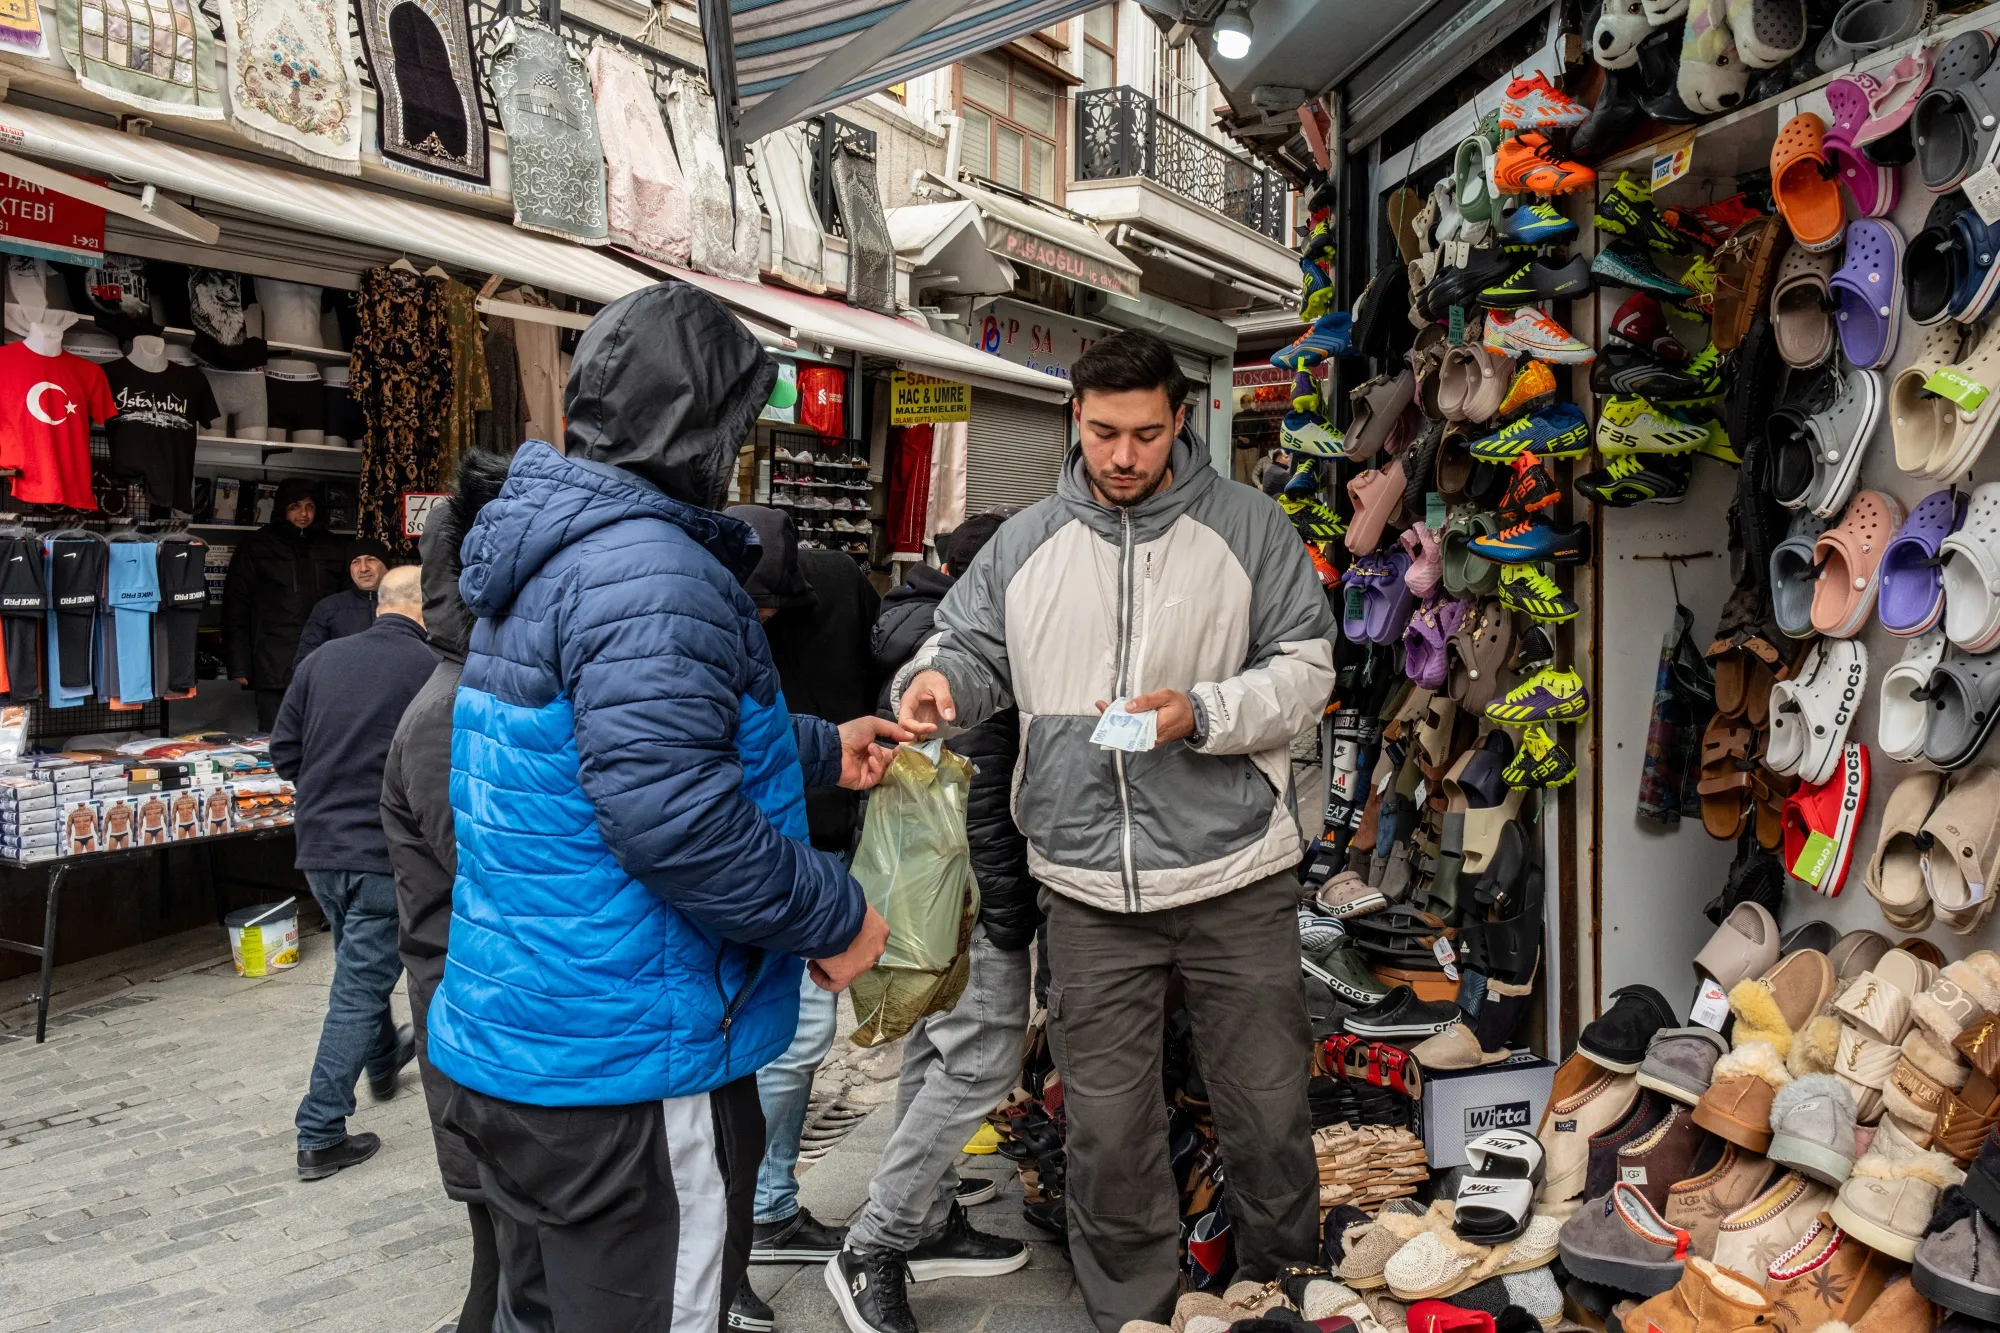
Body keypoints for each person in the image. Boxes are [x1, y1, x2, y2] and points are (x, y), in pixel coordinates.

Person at [424, 282, 904, 1333]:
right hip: (630, 1064)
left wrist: (820, 749)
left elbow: (607, 746)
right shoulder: (652, 570)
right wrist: (834, 913)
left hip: (520, 1043)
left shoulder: (549, 550)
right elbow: (675, 820)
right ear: (710, 429)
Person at [891, 330, 1337, 1333]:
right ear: (1075, 421)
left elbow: (1307, 670)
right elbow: (962, 644)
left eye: (1143, 432)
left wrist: (1204, 712)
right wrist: (935, 683)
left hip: (1233, 872)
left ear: (1180, 421)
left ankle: (1288, 1289)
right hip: (1086, 881)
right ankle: (1131, 1310)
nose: (1123, 455)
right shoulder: (1023, 542)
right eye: (1102, 432)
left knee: (1266, 1105)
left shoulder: (1249, 528)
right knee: (1104, 1126)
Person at [824, 510, 1041, 1333]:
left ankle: (926, 1218)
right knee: (981, 1062)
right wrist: (1011, 913)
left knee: (941, 1047)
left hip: (949, 895)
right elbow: (985, 811)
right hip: (978, 896)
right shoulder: (977, 660)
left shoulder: (937, 644)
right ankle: (874, 1241)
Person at [722, 505, 881, 1333]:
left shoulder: (835, 586)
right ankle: (732, 1247)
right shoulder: (688, 609)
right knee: (761, 1058)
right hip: (754, 857)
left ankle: (767, 1207)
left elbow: (756, 735)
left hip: (811, 831)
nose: (766, 622)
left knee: (795, 1040)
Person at [379, 451, 511, 1333]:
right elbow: (493, 880)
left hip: (492, 1016)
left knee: (514, 1259)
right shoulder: (447, 711)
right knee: (501, 1255)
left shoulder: (479, 692)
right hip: (475, 1017)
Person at [272, 564, 437, 1181]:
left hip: (318, 851)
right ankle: (319, 1130)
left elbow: (285, 752)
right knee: (357, 989)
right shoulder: (432, 670)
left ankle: (382, 1057)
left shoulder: (321, 662)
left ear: (379, 606)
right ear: (424, 608)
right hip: (380, 855)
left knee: (357, 971)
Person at [224, 477, 341, 729]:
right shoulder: (257, 546)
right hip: (272, 660)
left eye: (310, 506)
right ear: (282, 509)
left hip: (322, 660)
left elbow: (346, 606)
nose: (303, 514)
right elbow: (236, 606)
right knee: (274, 737)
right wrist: (238, 664)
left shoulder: (332, 547)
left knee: (320, 734)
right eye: (295, 506)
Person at [294, 537, 392, 665]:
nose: (363, 569)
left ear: (386, 566)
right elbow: (305, 661)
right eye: (355, 562)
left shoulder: (407, 605)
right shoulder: (329, 607)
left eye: (371, 560)